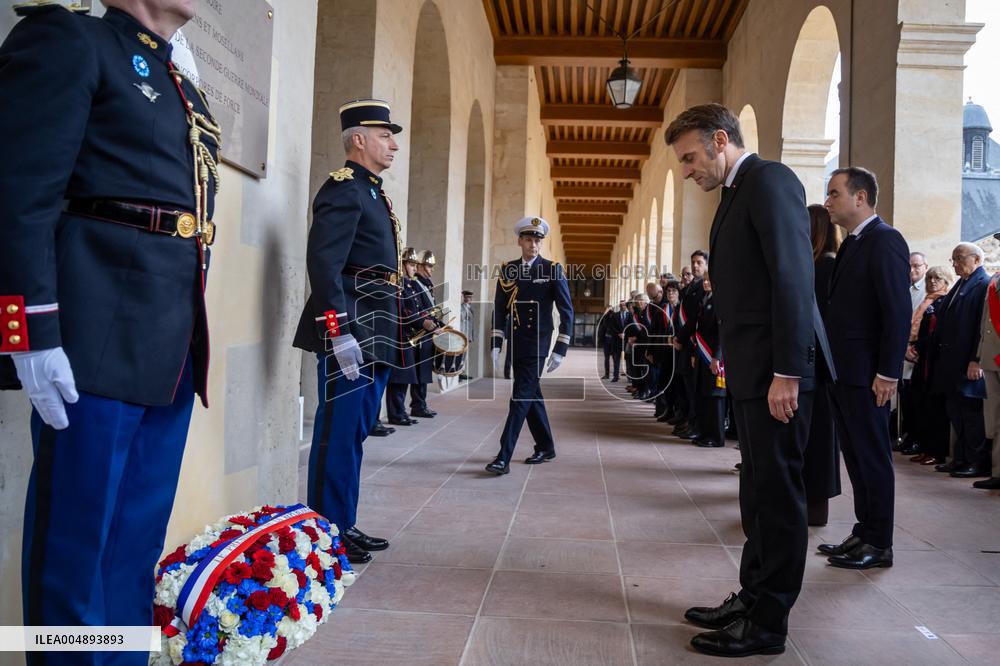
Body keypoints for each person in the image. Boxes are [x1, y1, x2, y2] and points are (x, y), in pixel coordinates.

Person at [0, 1, 220, 654]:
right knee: (77, 544)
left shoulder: (179, 79)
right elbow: (19, 193)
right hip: (91, 330)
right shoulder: (72, 37)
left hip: (169, 338)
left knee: (133, 548)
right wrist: (29, 332)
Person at [666, 103, 821, 657]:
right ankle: (753, 596)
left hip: (777, 374)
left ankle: (769, 624)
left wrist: (788, 371)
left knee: (778, 496)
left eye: (689, 157)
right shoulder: (736, 192)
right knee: (756, 491)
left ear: (720, 140)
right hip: (754, 369)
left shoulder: (769, 179)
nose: (687, 170)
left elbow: (792, 276)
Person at [293, 98, 403, 564]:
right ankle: (325, 531)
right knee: (337, 432)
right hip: (353, 327)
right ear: (358, 139)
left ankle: (343, 522)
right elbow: (325, 263)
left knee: (355, 432)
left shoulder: (374, 192)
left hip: (376, 326)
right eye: (384, 135)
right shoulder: (344, 189)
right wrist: (338, 333)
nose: (393, 144)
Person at [820, 168, 910, 569]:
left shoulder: (885, 240)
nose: (828, 202)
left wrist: (888, 372)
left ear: (860, 198)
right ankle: (863, 531)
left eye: (835, 193)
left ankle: (880, 543)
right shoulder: (854, 244)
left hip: (869, 374)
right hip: (845, 371)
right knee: (855, 456)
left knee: (873, 457)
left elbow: (897, 311)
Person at [485, 216, 573, 475]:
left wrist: (560, 348)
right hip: (517, 342)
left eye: (537, 240)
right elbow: (499, 309)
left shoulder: (552, 269)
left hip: (538, 344)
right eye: (528, 240)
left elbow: (566, 311)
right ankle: (546, 446)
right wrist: (496, 343)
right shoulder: (508, 270)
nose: (533, 245)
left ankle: (503, 457)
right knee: (531, 393)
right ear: (519, 241)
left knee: (520, 398)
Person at [931, 243, 991, 478]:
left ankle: (976, 462)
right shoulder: (963, 283)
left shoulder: (982, 284)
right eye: (953, 258)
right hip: (952, 362)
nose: (954, 263)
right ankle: (960, 458)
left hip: (968, 362)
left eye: (959, 258)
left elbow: (980, 326)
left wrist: (976, 359)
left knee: (971, 415)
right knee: (956, 413)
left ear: (976, 259)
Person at [804, 205, 841, 527]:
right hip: (812, 362)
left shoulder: (826, 266)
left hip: (819, 364)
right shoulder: (816, 264)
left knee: (819, 438)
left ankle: (815, 508)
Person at [906, 267, 953, 466]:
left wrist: (917, 346)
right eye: (930, 278)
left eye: (938, 278)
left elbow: (938, 334)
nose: (933, 281)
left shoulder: (944, 302)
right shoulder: (927, 302)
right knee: (921, 405)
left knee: (935, 410)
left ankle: (936, 451)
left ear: (946, 280)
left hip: (935, 361)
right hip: (921, 360)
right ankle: (925, 447)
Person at [385, 248, 437, 425]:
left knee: (406, 377)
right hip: (399, 336)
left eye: (416, 265)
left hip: (409, 335)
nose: (415, 268)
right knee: (398, 378)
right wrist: (422, 323)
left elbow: (420, 310)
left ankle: (400, 412)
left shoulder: (410, 285)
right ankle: (395, 414)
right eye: (411, 264)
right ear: (402, 264)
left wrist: (435, 324)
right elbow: (403, 311)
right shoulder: (398, 285)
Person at [671, 251, 708, 439]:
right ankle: (690, 421)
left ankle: (697, 425)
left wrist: (680, 337)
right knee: (687, 386)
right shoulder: (691, 287)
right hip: (686, 343)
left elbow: (695, 318)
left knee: (695, 389)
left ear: (706, 265)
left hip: (695, 344)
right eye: (693, 262)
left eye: (699, 262)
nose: (695, 266)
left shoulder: (703, 287)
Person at [691, 274, 726, 448]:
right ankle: (706, 433)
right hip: (702, 355)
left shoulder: (720, 302)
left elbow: (721, 333)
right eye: (704, 280)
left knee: (715, 398)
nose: (705, 283)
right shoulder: (704, 300)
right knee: (705, 395)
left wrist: (716, 358)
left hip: (713, 357)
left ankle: (717, 437)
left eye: (709, 280)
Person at [973, 266, 1000, 489]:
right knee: (994, 416)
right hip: (992, 356)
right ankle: (997, 471)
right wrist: (981, 353)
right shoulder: (995, 279)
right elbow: (985, 321)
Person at [408, 250, 438, 418]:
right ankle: (417, 405)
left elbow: (431, 309)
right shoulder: (415, 283)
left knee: (425, 370)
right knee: (420, 371)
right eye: (428, 266)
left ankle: (421, 403)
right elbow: (419, 310)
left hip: (428, 330)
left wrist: (439, 325)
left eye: (432, 266)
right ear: (419, 265)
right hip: (419, 331)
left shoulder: (426, 284)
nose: (431, 269)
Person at [460, 289, 475, 380]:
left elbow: (471, 324)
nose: (469, 299)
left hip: (467, 335)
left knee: (465, 355)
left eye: (470, 297)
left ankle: (463, 371)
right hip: (462, 333)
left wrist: (471, 336)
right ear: (464, 298)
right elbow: (461, 318)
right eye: (467, 297)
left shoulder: (470, 309)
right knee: (460, 354)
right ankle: (459, 372)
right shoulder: (462, 307)